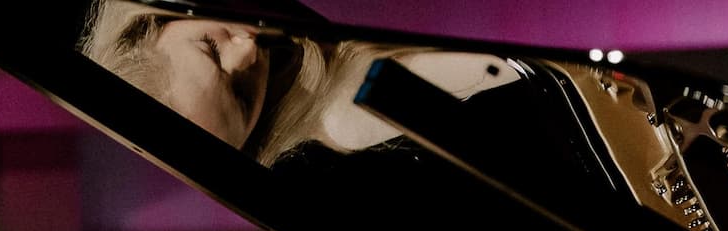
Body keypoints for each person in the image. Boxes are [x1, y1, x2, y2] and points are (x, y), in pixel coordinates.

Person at [78, 0, 522, 167]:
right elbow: (516, 48)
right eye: (243, 96)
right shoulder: (346, 115)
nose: (248, 53)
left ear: (152, 21)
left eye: (210, 49)